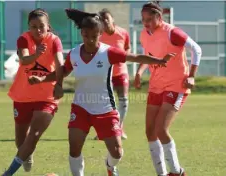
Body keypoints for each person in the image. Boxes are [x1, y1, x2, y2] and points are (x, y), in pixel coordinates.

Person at [52, 8, 175, 176]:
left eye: (94, 36)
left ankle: (110, 166)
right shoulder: (74, 54)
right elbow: (62, 72)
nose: (89, 39)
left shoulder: (108, 52)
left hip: (105, 109)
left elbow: (135, 57)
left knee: (117, 152)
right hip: (80, 108)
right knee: (74, 148)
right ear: (81, 33)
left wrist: (159, 61)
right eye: (86, 35)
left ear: (100, 34)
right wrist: (51, 82)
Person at [134, 1, 202, 176]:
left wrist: (192, 75)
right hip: (156, 85)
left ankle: (178, 172)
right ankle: (162, 174)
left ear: (159, 16)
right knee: (150, 132)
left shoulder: (172, 32)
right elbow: (147, 56)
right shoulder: (144, 34)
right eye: (143, 19)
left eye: (149, 19)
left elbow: (196, 49)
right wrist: (139, 72)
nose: (146, 23)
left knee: (161, 130)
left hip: (176, 85)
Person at [2, 8, 64, 176]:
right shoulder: (23, 38)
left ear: (48, 26)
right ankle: (26, 155)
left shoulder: (54, 40)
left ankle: (7, 173)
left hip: (47, 96)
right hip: (23, 95)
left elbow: (60, 64)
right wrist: (36, 54)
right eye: (33, 26)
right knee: (21, 142)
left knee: (34, 135)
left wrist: (59, 84)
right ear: (29, 27)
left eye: (41, 26)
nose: (38, 30)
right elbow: (23, 60)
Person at [91, 8, 131, 140]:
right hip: (104, 74)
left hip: (121, 72)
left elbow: (127, 48)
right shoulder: (99, 35)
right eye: (102, 20)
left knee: (123, 101)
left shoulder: (123, 33)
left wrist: (124, 56)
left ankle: (118, 128)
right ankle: (103, 130)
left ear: (112, 19)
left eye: (106, 18)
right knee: (105, 104)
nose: (105, 21)